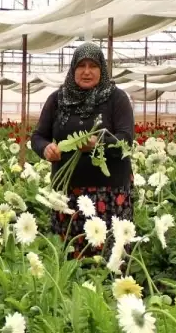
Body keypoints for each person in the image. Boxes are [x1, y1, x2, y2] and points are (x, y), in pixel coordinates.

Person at [30, 42, 135, 244]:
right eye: (81, 66)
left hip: (109, 194)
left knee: (107, 252)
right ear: (73, 68)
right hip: (67, 193)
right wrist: (46, 148)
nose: (86, 72)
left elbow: (126, 141)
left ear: (102, 69)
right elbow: (38, 136)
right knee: (69, 249)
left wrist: (99, 143)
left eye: (93, 66)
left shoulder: (116, 99)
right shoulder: (57, 99)